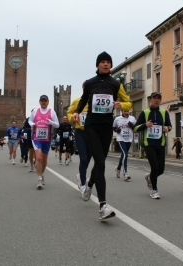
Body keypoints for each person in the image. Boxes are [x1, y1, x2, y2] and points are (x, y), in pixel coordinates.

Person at [72, 51, 132, 220]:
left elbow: (128, 102)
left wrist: (121, 104)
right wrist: (77, 112)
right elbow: (83, 100)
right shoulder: (90, 83)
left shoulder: (116, 83)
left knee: (100, 162)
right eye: (102, 62)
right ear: (97, 65)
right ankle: (103, 206)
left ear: (111, 65)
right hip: (91, 126)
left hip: (106, 126)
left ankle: (89, 184)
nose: (105, 64)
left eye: (108, 62)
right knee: (100, 162)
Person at [134, 92, 172, 199]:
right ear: (150, 100)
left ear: (160, 100)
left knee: (161, 170)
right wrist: (145, 125)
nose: (156, 100)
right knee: (154, 167)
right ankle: (154, 190)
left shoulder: (164, 112)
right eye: (154, 98)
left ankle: (150, 177)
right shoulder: (145, 113)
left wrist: (167, 128)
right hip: (149, 144)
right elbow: (135, 128)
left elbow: (170, 126)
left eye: (158, 98)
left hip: (160, 144)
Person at [29, 95, 59, 189]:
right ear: (39, 102)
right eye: (42, 101)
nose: (43, 102)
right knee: (38, 158)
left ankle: (41, 174)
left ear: (48, 102)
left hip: (47, 139)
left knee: (44, 160)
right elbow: (30, 121)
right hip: (36, 138)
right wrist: (33, 124)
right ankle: (39, 179)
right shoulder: (35, 111)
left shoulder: (52, 112)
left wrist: (50, 122)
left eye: (45, 101)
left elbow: (57, 125)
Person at [67, 86, 92, 194]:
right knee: (83, 158)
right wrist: (73, 117)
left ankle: (80, 175)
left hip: (92, 133)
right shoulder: (77, 101)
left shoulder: (94, 101)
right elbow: (69, 113)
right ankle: (82, 184)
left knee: (89, 157)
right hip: (80, 132)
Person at [113, 109, 136, 181]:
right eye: (124, 111)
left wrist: (132, 126)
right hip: (121, 139)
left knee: (123, 155)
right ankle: (125, 173)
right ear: (121, 111)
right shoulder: (117, 119)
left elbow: (136, 127)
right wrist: (116, 130)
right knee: (125, 154)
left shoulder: (132, 118)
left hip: (129, 139)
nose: (126, 113)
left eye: (127, 111)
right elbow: (113, 127)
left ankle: (118, 168)